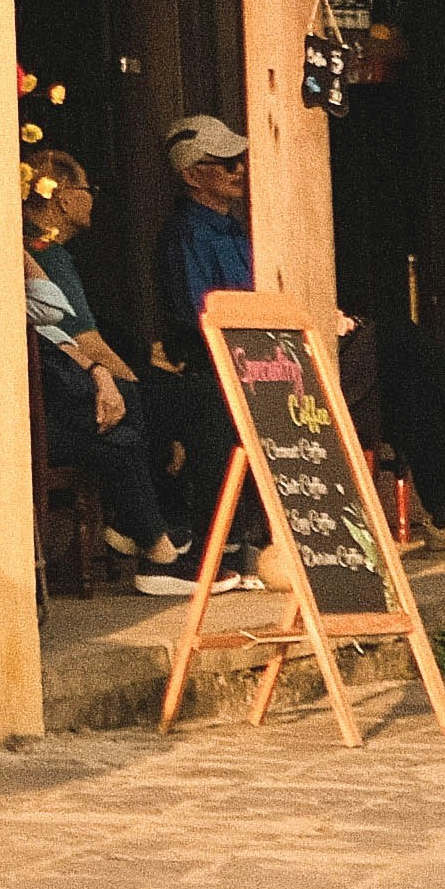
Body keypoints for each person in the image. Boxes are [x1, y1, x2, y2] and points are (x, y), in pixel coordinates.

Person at [22, 156, 179, 590]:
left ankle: (149, 536)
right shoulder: (43, 253)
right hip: (42, 409)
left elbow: (57, 320)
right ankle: (157, 544)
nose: (93, 200)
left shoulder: (46, 255)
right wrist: (125, 382)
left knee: (131, 415)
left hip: (64, 392)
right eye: (88, 189)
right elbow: (75, 331)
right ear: (63, 199)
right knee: (136, 410)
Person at [139, 113, 260, 571]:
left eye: (240, 161)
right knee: (212, 407)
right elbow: (198, 314)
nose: (239, 170)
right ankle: (221, 538)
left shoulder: (237, 227)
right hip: (213, 362)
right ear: (193, 174)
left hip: (259, 351)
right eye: (226, 163)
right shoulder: (185, 233)